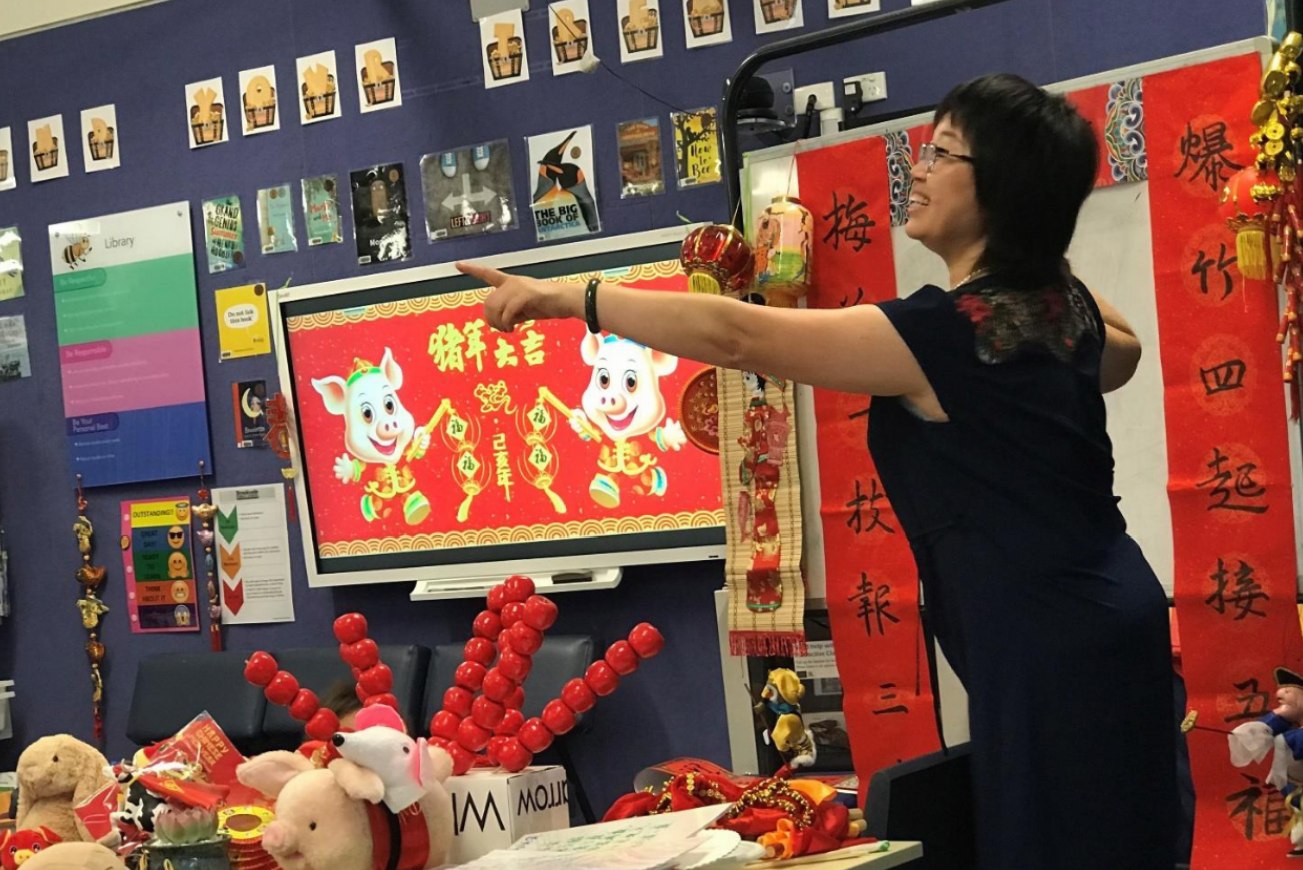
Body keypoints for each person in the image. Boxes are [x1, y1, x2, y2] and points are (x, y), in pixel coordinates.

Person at [460, 73, 1177, 870]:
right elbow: (1124, 350)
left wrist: (574, 298)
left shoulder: (943, 335)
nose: (918, 168)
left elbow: (737, 336)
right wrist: (1037, 237)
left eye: (941, 153)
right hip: (1107, 616)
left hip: (1045, 644)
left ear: (1000, 189)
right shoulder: (1064, 316)